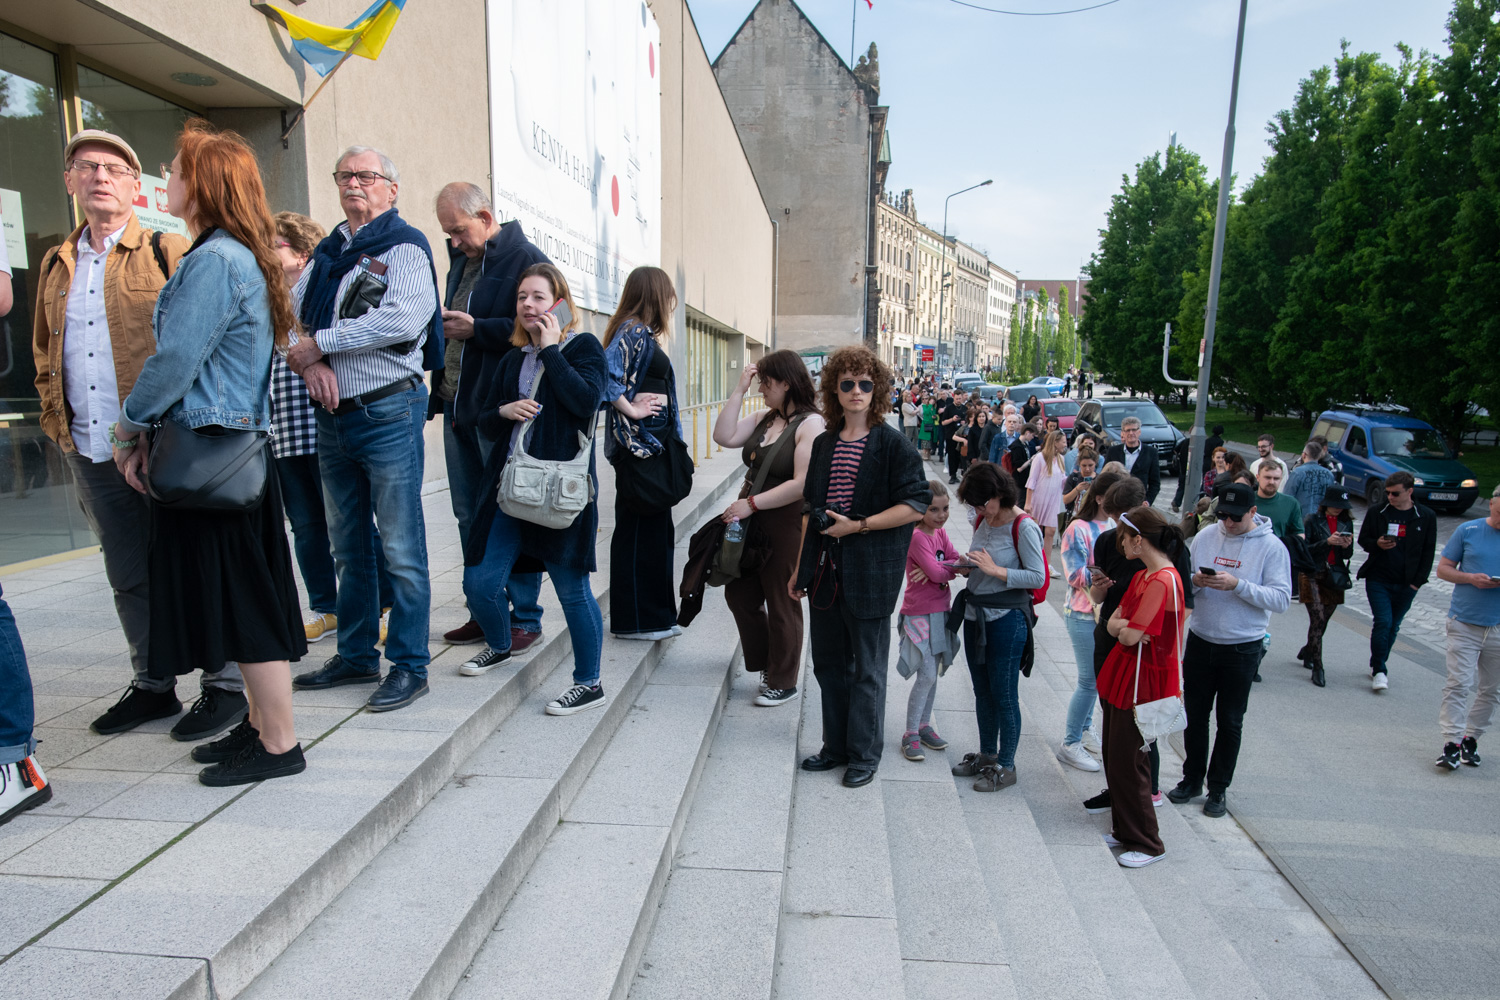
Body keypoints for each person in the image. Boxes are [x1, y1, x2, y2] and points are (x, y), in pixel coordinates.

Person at [30, 128, 250, 741]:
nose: (99, 175)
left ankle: (225, 685)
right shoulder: (55, 262)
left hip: (162, 442)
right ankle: (153, 684)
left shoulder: (169, 248)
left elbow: (196, 348)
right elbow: (45, 351)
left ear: (135, 185)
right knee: (127, 569)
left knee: (193, 562)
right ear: (70, 182)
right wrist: (57, 423)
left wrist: (154, 427)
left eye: (113, 167)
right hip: (90, 444)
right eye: (85, 166)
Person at [111, 119, 308, 784]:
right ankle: (258, 728)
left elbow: (174, 363)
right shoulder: (231, 256)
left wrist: (127, 428)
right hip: (227, 458)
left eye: (175, 169)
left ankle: (279, 745)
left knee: (246, 604)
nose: (165, 179)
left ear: (204, 184)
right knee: (243, 596)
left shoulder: (215, 261)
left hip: (211, 459)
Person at [285, 146, 441, 712]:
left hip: (388, 412)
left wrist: (321, 345)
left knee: (400, 547)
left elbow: (402, 318)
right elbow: (290, 322)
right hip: (334, 419)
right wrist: (308, 361)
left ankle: (409, 665)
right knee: (348, 547)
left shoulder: (404, 247)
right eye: (345, 175)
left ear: (391, 189)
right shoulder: (328, 254)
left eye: (367, 176)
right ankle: (354, 656)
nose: (355, 183)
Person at [461, 263, 608, 713]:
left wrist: (550, 350)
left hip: (558, 492)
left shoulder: (582, 348)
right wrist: (503, 411)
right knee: (480, 584)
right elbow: (480, 418)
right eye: (522, 296)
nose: (528, 304)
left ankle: (590, 682)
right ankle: (502, 643)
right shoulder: (510, 359)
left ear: (559, 303)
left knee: (571, 591)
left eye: (539, 297)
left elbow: (586, 401)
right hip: (510, 489)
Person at [793, 346, 929, 788]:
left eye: (865, 384)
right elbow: (809, 509)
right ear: (835, 388)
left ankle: (864, 754)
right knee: (828, 665)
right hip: (826, 572)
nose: (856, 391)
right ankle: (835, 747)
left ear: (878, 390)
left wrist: (859, 526)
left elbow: (915, 504)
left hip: (870, 572)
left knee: (867, 670)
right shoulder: (823, 442)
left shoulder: (893, 444)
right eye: (847, 383)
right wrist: (800, 569)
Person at [270, 212, 398, 648]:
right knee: (304, 527)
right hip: (283, 431)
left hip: (321, 421)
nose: (266, 254)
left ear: (301, 253)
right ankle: (326, 607)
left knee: (351, 524)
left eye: (275, 245)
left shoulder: (318, 293)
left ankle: (383, 604)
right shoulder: (270, 299)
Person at [432, 181, 548, 649]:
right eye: (448, 235)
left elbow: (542, 325)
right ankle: (483, 609)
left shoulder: (525, 257)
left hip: (497, 411)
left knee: (510, 509)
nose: (454, 242)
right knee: (468, 515)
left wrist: (478, 328)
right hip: (455, 406)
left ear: (484, 216)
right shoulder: (462, 260)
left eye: (459, 231)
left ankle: (526, 618)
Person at [1167, 483, 1292, 816]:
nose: (1228, 523)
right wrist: (1197, 581)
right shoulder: (1207, 537)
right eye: (1222, 515)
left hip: (1242, 645)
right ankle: (1191, 779)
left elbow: (1281, 599)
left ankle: (1218, 788)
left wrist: (1238, 585)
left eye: (1235, 517)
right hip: (1202, 638)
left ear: (1253, 513)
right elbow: (1183, 580)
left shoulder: (1272, 547)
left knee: (1230, 720)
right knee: (1194, 716)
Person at [715, 350, 825, 706]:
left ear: (787, 383)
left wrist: (750, 504)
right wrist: (739, 390)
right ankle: (767, 662)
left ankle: (784, 679)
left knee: (782, 600)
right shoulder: (765, 416)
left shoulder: (810, 424)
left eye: (766, 381)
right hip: (752, 517)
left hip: (784, 520)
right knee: (739, 594)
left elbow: (802, 483)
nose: (761, 387)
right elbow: (724, 435)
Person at [1095, 505, 1186, 868]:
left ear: (1138, 539)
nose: (1119, 543)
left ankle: (1148, 842)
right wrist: (1124, 627)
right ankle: (1125, 830)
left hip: (1143, 681)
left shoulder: (1163, 580)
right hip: (1127, 676)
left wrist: (1124, 628)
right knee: (1115, 757)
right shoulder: (1142, 577)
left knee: (1131, 763)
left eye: (1123, 536)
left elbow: (1129, 633)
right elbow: (1113, 621)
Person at [948, 462, 1046, 792]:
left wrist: (996, 571)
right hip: (976, 615)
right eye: (974, 505)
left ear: (999, 494)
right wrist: (969, 566)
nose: (978, 510)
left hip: (1006, 620)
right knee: (982, 692)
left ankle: (1007, 764)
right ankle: (987, 754)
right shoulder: (983, 519)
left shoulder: (1024, 526)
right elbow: (984, 562)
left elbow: (1038, 577)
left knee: (1004, 695)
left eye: (982, 503)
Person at [601, 266, 681, 641]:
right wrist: (631, 408)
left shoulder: (639, 332)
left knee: (655, 532)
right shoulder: (632, 330)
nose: (670, 302)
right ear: (654, 295)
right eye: (667, 294)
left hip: (650, 447)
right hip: (639, 448)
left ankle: (658, 617)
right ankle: (637, 622)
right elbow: (605, 376)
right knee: (640, 534)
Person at [1056, 469, 1126, 772]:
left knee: (1096, 681)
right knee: (1089, 681)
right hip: (1083, 612)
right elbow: (1074, 574)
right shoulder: (1078, 528)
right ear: (1100, 498)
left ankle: (1085, 730)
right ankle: (1070, 742)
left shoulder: (1113, 524)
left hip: (1106, 614)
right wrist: (1108, 576)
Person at [1434, 483, 1500, 769]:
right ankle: (1451, 742)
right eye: (1499, 512)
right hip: (1464, 622)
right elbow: (1443, 569)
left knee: (1491, 689)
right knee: (1459, 683)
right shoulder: (1469, 530)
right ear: (1492, 505)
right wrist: (1471, 578)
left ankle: (1472, 738)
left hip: (1497, 627)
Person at [895, 480, 959, 761]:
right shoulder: (918, 536)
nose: (941, 515)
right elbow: (938, 572)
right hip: (918, 612)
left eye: (945, 508)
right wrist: (945, 570)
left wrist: (943, 568)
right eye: (934, 509)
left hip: (940, 612)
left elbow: (954, 561)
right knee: (927, 673)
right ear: (921, 510)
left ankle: (924, 725)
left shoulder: (941, 534)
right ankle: (910, 732)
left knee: (935, 675)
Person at [1357, 471, 1437, 693]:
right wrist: (1377, 544)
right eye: (1388, 492)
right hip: (1378, 578)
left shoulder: (1426, 516)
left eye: (1395, 493)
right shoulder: (1377, 512)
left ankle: (1378, 661)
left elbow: (1428, 552)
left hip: (1407, 582)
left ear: (1409, 491)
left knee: (1393, 626)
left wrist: (1417, 583)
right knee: (1383, 621)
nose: (1390, 497)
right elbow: (1364, 540)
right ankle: (1380, 669)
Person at [1298, 486, 1355, 687]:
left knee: (1323, 622)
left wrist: (1346, 546)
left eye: (1342, 506)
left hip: (1335, 575)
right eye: (1335, 506)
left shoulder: (1346, 522)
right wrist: (1328, 542)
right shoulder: (1312, 520)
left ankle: (1308, 650)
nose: (1338, 510)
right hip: (1311, 573)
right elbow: (1305, 551)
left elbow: (1348, 556)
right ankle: (1318, 666)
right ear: (1326, 504)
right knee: (1318, 617)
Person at [1026, 429, 1068, 567]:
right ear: (1055, 442)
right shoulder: (1040, 457)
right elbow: (1032, 480)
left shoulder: (1061, 459)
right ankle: (1033, 561)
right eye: (1063, 442)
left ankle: (1047, 564)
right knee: (1036, 531)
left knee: (1050, 531)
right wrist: (1028, 502)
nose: (1065, 444)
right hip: (1039, 498)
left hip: (1053, 499)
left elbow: (1062, 479)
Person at [1103, 416, 1161, 504]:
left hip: (1139, 501)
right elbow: (1105, 476)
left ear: (1139, 432)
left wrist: (1147, 502)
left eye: (1134, 430)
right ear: (1122, 433)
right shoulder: (1113, 451)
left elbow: (1155, 483)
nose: (1131, 433)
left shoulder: (1151, 452)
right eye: (1127, 430)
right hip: (1117, 500)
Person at [1253, 463, 1304, 541]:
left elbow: (1299, 533)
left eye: (1276, 478)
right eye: (1267, 477)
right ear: (1258, 477)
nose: (1271, 482)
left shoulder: (1291, 503)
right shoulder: (1247, 500)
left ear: (1281, 479)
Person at [1286, 440, 1336, 519]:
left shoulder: (1297, 472)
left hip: (1300, 518)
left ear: (1304, 455)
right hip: (1321, 519)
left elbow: (1287, 497)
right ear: (1319, 455)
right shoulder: (1329, 474)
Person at [1061, 449, 1098, 516]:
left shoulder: (1099, 479)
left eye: (1090, 465)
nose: (1087, 469)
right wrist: (1077, 489)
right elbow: (1065, 500)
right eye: (1084, 465)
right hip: (1075, 516)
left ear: (1095, 463)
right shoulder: (1073, 477)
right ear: (1079, 464)